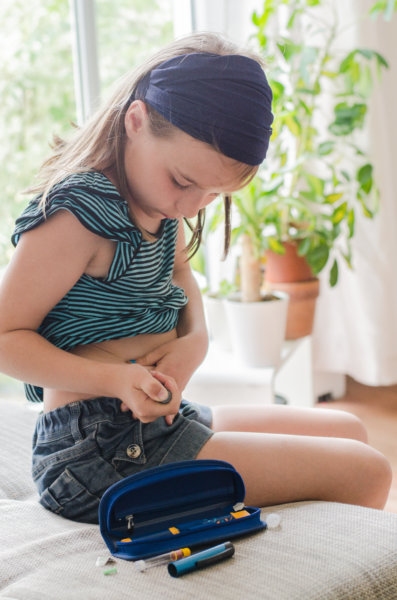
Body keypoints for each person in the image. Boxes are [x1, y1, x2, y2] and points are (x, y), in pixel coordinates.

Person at [0, 32, 391, 524]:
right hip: (97, 451)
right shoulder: (80, 212)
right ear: (137, 120)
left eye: (212, 195)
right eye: (184, 182)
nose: (190, 207)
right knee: (368, 472)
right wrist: (116, 379)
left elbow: (181, 273)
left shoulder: (157, 200)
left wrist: (197, 341)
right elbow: (5, 338)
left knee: (349, 429)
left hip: (159, 424)